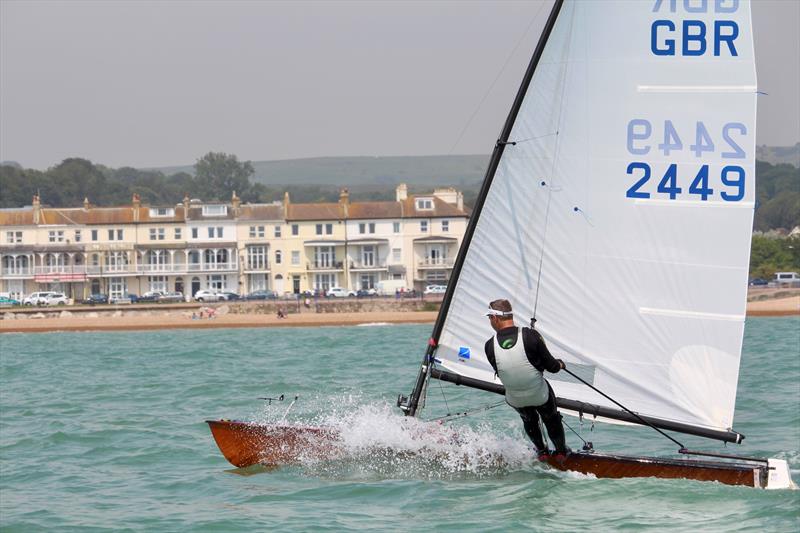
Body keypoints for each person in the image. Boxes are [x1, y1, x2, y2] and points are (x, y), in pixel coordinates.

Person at [484, 298, 569, 462]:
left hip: (515, 398)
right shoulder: (531, 336)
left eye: (489, 317)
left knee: (529, 418)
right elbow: (552, 367)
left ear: (495, 318)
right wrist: (560, 364)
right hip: (539, 395)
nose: (489, 321)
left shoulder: (489, 345)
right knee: (550, 418)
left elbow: (505, 372)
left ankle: (542, 452)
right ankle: (560, 453)